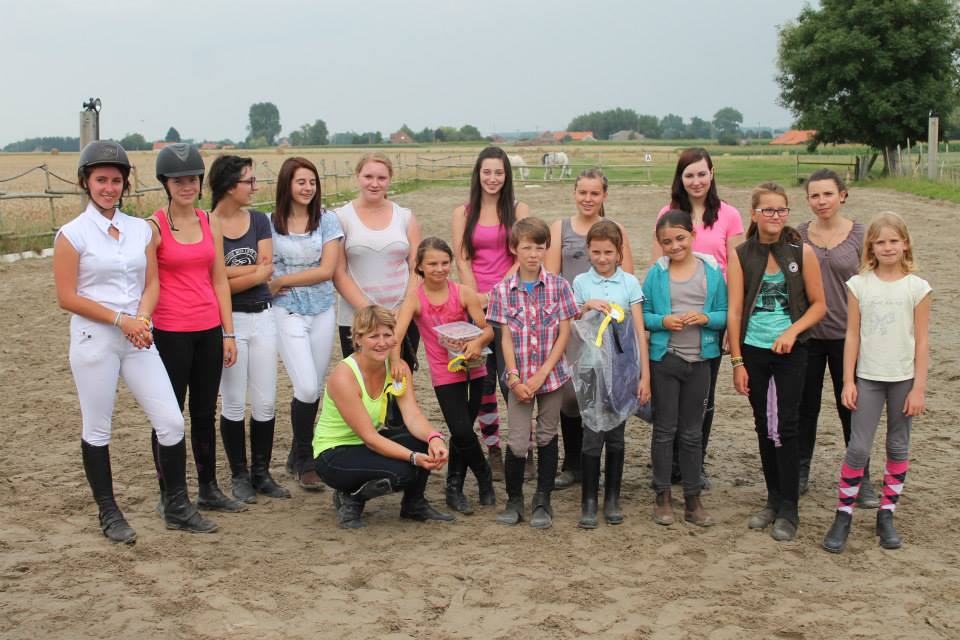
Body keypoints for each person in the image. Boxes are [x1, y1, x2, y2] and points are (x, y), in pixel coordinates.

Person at [55, 140, 215, 543]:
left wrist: (141, 318)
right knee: (98, 427)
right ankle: (108, 512)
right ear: (86, 183)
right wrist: (120, 319)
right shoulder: (72, 235)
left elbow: (151, 283)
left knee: (171, 420)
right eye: (101, 180)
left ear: (125, 184)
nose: (109, 188)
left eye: (116, 181)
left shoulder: (139, 230)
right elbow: (67, 297)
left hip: (138, 336)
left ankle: (176, 505)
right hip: (96, 338)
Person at [822, 213, 930, 553]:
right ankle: (843, 514)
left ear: (905, 244)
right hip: (868, 377)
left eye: (893, 241)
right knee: (858, 448)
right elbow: (852, 335)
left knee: (897, 446)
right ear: (870, 246)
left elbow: (922, 341)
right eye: (880, 242)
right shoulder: (859, 285)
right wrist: (848, 380)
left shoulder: (917, 287)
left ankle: (886, 514)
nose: (887, 247)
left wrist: (919, 388)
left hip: (903, 379)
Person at [727, 182, 826, 542]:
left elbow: (819, 305)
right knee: (763, 425)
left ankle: (790, 508)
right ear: (753, 214)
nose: (775, 216)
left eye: (781, 209)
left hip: (791, 352)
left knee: (786, 425)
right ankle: (772, 499)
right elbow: (735, 311)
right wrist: (737, 361)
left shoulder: (802, 252)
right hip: (754, 351)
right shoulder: (741, 254)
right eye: (767, 210)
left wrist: (792, 332)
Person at [149, 143, 244, 515]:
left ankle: (208, 487)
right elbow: (148, 282)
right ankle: (168, 493)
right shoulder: (154, 227)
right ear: (166, 184)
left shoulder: (208, 222)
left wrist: (228, 332)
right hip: (171, 331)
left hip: (208, 330)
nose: (186, 186)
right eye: (178, 181)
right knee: (169, 414)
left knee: (204, 412)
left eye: (192, 179)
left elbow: (219, 279)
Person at [313, 305, 454, 529]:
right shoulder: (344, 376)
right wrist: (413, 458)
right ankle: (351, 498)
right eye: (373, 336)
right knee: (405, 471)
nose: (382, 342)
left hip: (364, 445)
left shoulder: (397, 368)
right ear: (358, 339)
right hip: (333, 454)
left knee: (424, 443)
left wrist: (434, 438)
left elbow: (412, 415)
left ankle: (414, 505)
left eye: (387, 335)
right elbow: (370, 438)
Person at [652, 148, 745, 489]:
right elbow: (657, 269)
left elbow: (736, 272)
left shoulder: (729, 216)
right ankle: (670, 462)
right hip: (673, 322)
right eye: (689, 175)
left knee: (703, 397)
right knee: (669, 398)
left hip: (710, 319)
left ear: (712, 173)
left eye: (701, 174)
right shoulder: (667, 214)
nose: (696, 181)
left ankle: (695, 463)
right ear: (680, 178)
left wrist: (730, 324)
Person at [545, 168, 635, 490]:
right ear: (574, 193)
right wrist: (576, 310)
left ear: (604, 196)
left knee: (605, 390)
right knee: (571, 395)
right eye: (582, 192)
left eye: (595, 193)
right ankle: (573, 464)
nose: (588, 198)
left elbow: (628, 279)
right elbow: (553, 280)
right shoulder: (560, 228)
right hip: (573, 325)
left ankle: (600, 462)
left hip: (608, 329)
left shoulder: (615, 229)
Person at [486, 217, 578, 529]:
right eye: (527, 247)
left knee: (547, 435)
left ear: (546, 249)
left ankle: (542, 499)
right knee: (517, 441)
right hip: (519, 380)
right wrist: (513, 377)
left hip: (551, 378)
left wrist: (543, 374)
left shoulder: (559, 287)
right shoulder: (502, 291)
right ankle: (514, 499)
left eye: (539, 247)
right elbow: (505, 338)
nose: (533, 254)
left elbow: (564, 334)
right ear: (514, 248)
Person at [393, 237, 496, 515]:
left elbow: (488, 328)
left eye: (444, 263)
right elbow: (397, 335)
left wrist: (477, 343)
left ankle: (454, 487)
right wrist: (396, 360)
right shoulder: (415, 299)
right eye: (432, 264)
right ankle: (484, 475)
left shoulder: (463, 292)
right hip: (444, 372)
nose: (439, 269)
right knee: (461, 430)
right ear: (419, 266)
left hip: (474, 367)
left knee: (464, 431)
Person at [209, 155, 289, 503]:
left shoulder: (259, 221)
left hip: (263, 317)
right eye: (249, 181)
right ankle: (239, 474)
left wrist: (231, 276)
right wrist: (250, 273)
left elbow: (266, 270)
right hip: (230, 321)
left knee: (266, 400)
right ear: (230, 185)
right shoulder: (208, 224)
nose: (254, 187)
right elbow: (214, 280)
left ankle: (261, 472)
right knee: (233, 402)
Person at [643, 211, 727, 528]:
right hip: (666, 360)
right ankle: (662, 496)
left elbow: (724, 312)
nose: (675, 246)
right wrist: (663, 321)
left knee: (692, 432)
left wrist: (706, 318)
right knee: (665, 430)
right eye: (667, 242)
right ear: (660, 244)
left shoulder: (712, 271)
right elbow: (644, 314)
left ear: (692, 235)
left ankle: (693, 499)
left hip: (701, 361)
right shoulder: (656, 274)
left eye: (680, 238)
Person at [451, 147, 530, 479]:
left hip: (512, 304)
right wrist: (476, 299)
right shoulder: (463, 212)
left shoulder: (519, 210)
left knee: (513, 379)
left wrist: (496, 295)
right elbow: (462, 258)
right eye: (487, 172)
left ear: (507, 175)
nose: (493, 178)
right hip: (475, 306)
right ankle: (494, 449)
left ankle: (522, 449)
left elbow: (521, 256)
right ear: (478, 174)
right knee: (483, 384)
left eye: (499, 172)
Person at [269, 157, 343, 491]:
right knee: (308, 387)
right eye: (301, 182)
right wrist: (273, 285)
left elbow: (327, 270)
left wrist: (282, 280)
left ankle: (296, 454)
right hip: (286, 311)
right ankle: (305, 458)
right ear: (287, 184)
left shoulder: (327, 220)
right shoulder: (268, 223)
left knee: (313, 386)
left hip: (322, 308)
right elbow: (264, 264)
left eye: (312, 182)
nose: (308, 188)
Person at [572, 220, 650, 528]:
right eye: (596, 252)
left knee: (616, 436)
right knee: (592, 434)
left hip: (621, 370)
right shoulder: (580, 282)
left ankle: (612, 498)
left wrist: (644, 376)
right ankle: (589, 500)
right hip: (591, 370)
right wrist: (585, 306)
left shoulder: (629, 283)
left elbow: (639, 331)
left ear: (619, 252)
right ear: (588, 251)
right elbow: (572, 321)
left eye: (608, 252)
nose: (602, 258)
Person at [796, 169, 869, 499]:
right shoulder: (797, 236)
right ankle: (800, 470)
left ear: (842, 195)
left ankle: (861, 475)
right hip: (808, 336)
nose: (821, 201)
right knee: (805, 407)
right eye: (815, 195)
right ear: (808, 200)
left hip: (847, 336)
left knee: (852, 407)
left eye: (828, 194)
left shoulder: (860, 236)